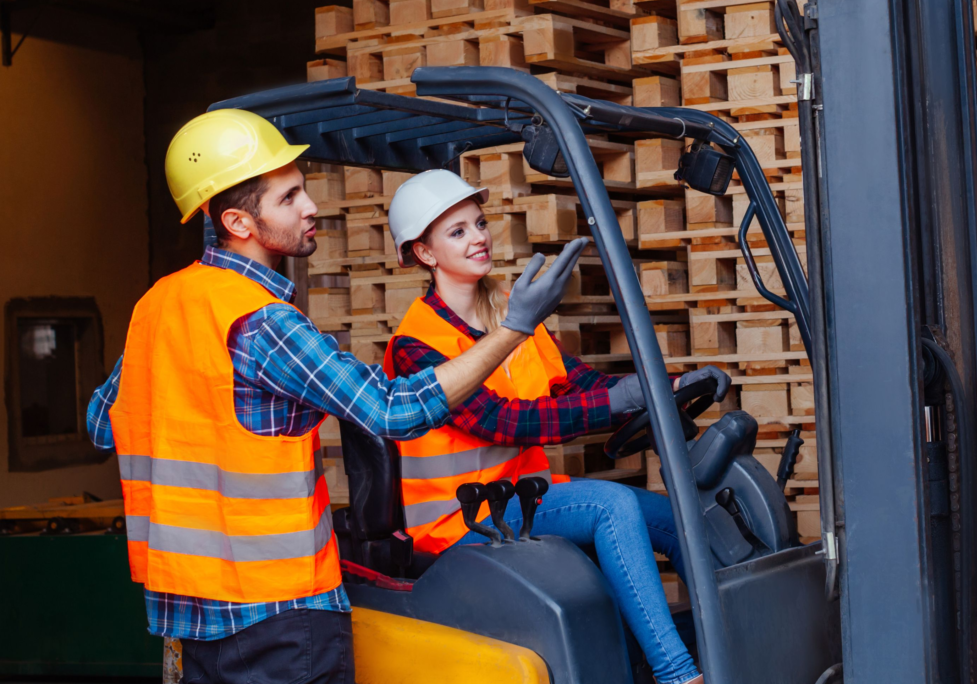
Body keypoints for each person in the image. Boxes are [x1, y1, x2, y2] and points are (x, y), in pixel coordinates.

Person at [86, 109, 586, 684]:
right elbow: (394, 410)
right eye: (290, 196)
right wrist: (514, 327)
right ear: (237, 222)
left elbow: (107, 423)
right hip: (280, 614)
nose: (311, 206)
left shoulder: (157, 306)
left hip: (189, 612)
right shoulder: (264, 323)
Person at [384, 170, 730, 684]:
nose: (478, 237)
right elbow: (503, 421)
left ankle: (729, 647)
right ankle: (680, 674)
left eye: (478, 224)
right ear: (425, 254)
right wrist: (621, 399)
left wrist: (666, 386)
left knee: (679, 516)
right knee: (609, 505)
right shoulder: (417, 345)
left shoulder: (507, 314)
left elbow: (578, 383)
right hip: (460, 520)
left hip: (520, 499)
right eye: (457, 232)